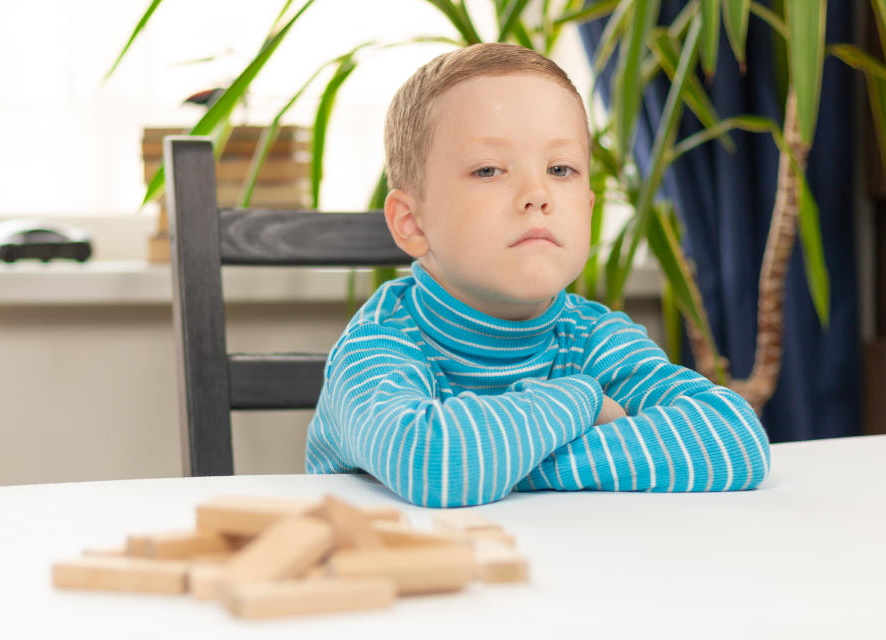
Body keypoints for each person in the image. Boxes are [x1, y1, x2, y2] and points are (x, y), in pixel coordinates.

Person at [305, 42, 770, 507]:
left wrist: (509, 467)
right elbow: (435, 462)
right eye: (488, 169)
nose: (536, 194)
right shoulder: (378, 346)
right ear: (412, 223)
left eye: (560, 169)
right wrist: (582, 400)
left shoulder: (592, 336)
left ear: (587, 209)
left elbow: (733, 438)